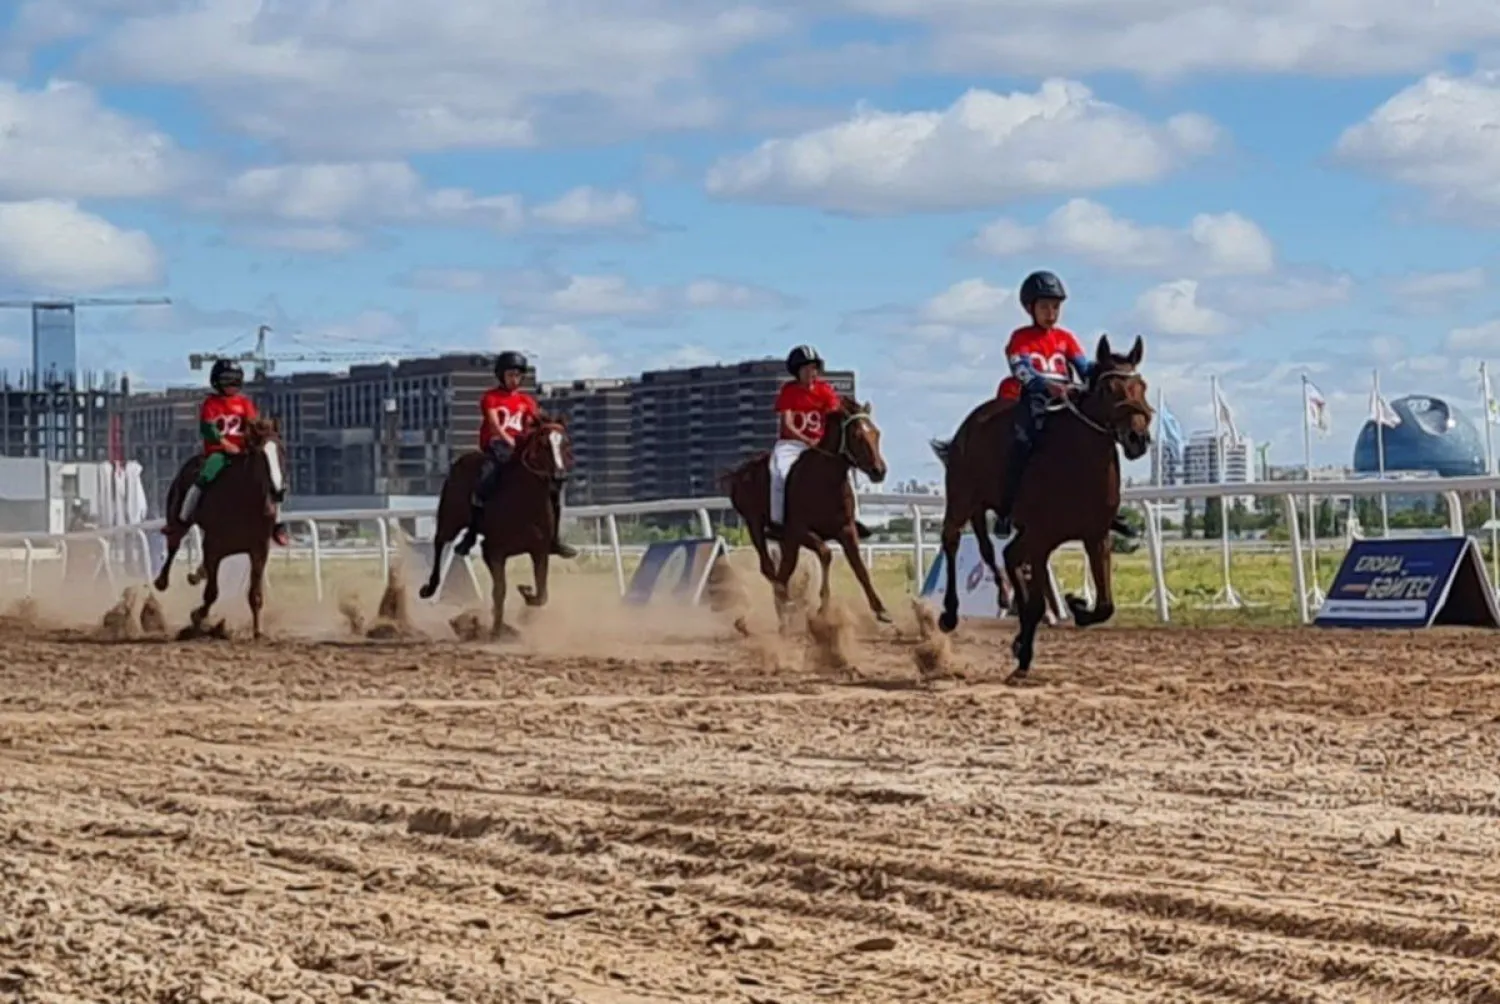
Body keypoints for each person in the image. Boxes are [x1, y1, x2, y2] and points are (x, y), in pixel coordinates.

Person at [993, 270, 1094, 536]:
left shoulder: (1066, 338)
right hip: (1035, 398)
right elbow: (1021, 369)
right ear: (1030, 308)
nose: (1051, 312)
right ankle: (1006, 509)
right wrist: (1045, 385)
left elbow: (1084, 368)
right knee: (1021, 442)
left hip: (1066, 399)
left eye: (1056, 306)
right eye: (1045, 306)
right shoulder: (1020, 337)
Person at [454, 350, 577, 558]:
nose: (515, 379)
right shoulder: (490, 398)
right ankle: (471, 533)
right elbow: (494, 425)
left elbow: (537, 421)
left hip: (519, 447)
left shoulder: (526, 401)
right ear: (501, 375)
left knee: (551, 485)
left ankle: (554, 539)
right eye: (511, 375)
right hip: (496, 445)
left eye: (518, 376)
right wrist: (507, 439)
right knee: (486, 478)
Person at [176, 358, 290, 546]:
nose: (231, 385)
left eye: (235, 380)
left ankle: (276, 524)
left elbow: (253, 425)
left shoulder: (244, 403)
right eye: (226, 380)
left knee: (272, 481)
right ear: (216, 381)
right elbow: (208, 429)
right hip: (219, 452)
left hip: (244, 451)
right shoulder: (211, 404)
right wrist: (225, 444)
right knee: (204, 477)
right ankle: (183, 518)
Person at [769, 344, 871, 539]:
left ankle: (853, 518)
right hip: (791, 444)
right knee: (779, 473)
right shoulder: (788, 391)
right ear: (797, 371)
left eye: (814, 368)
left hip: (820, 444)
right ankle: (778, 522)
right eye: (807, 368)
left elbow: (835, 416)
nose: (812, 372)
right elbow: (788, 425)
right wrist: (806, 440)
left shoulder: (825, 390)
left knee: (844, 472)